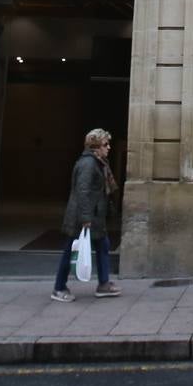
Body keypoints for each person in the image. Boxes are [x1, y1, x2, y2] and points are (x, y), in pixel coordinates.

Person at [51, 127, 121, 302]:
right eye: (105, 144)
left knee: (103, 245)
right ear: (95, 147)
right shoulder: (88, 164)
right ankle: (59, 287)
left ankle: (104, 284)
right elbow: (82, 191)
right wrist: (85, 218)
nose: (109, 147)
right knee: (71, 251)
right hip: (83, 217)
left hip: (94, 217)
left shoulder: (99, 162)